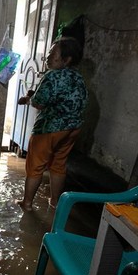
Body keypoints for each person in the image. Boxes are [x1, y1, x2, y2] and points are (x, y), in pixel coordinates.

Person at [16, 37, 88, 212]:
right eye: (49, 53)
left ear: (66, 59)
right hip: (73, 128)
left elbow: (39, 103)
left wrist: (27, 99)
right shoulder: (78, 77)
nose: (47, 57)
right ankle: (55, 202)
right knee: (58, 164)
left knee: (35, 166)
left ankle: (26, 204)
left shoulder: (53, 75)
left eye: (52, 54)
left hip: (50, 129)